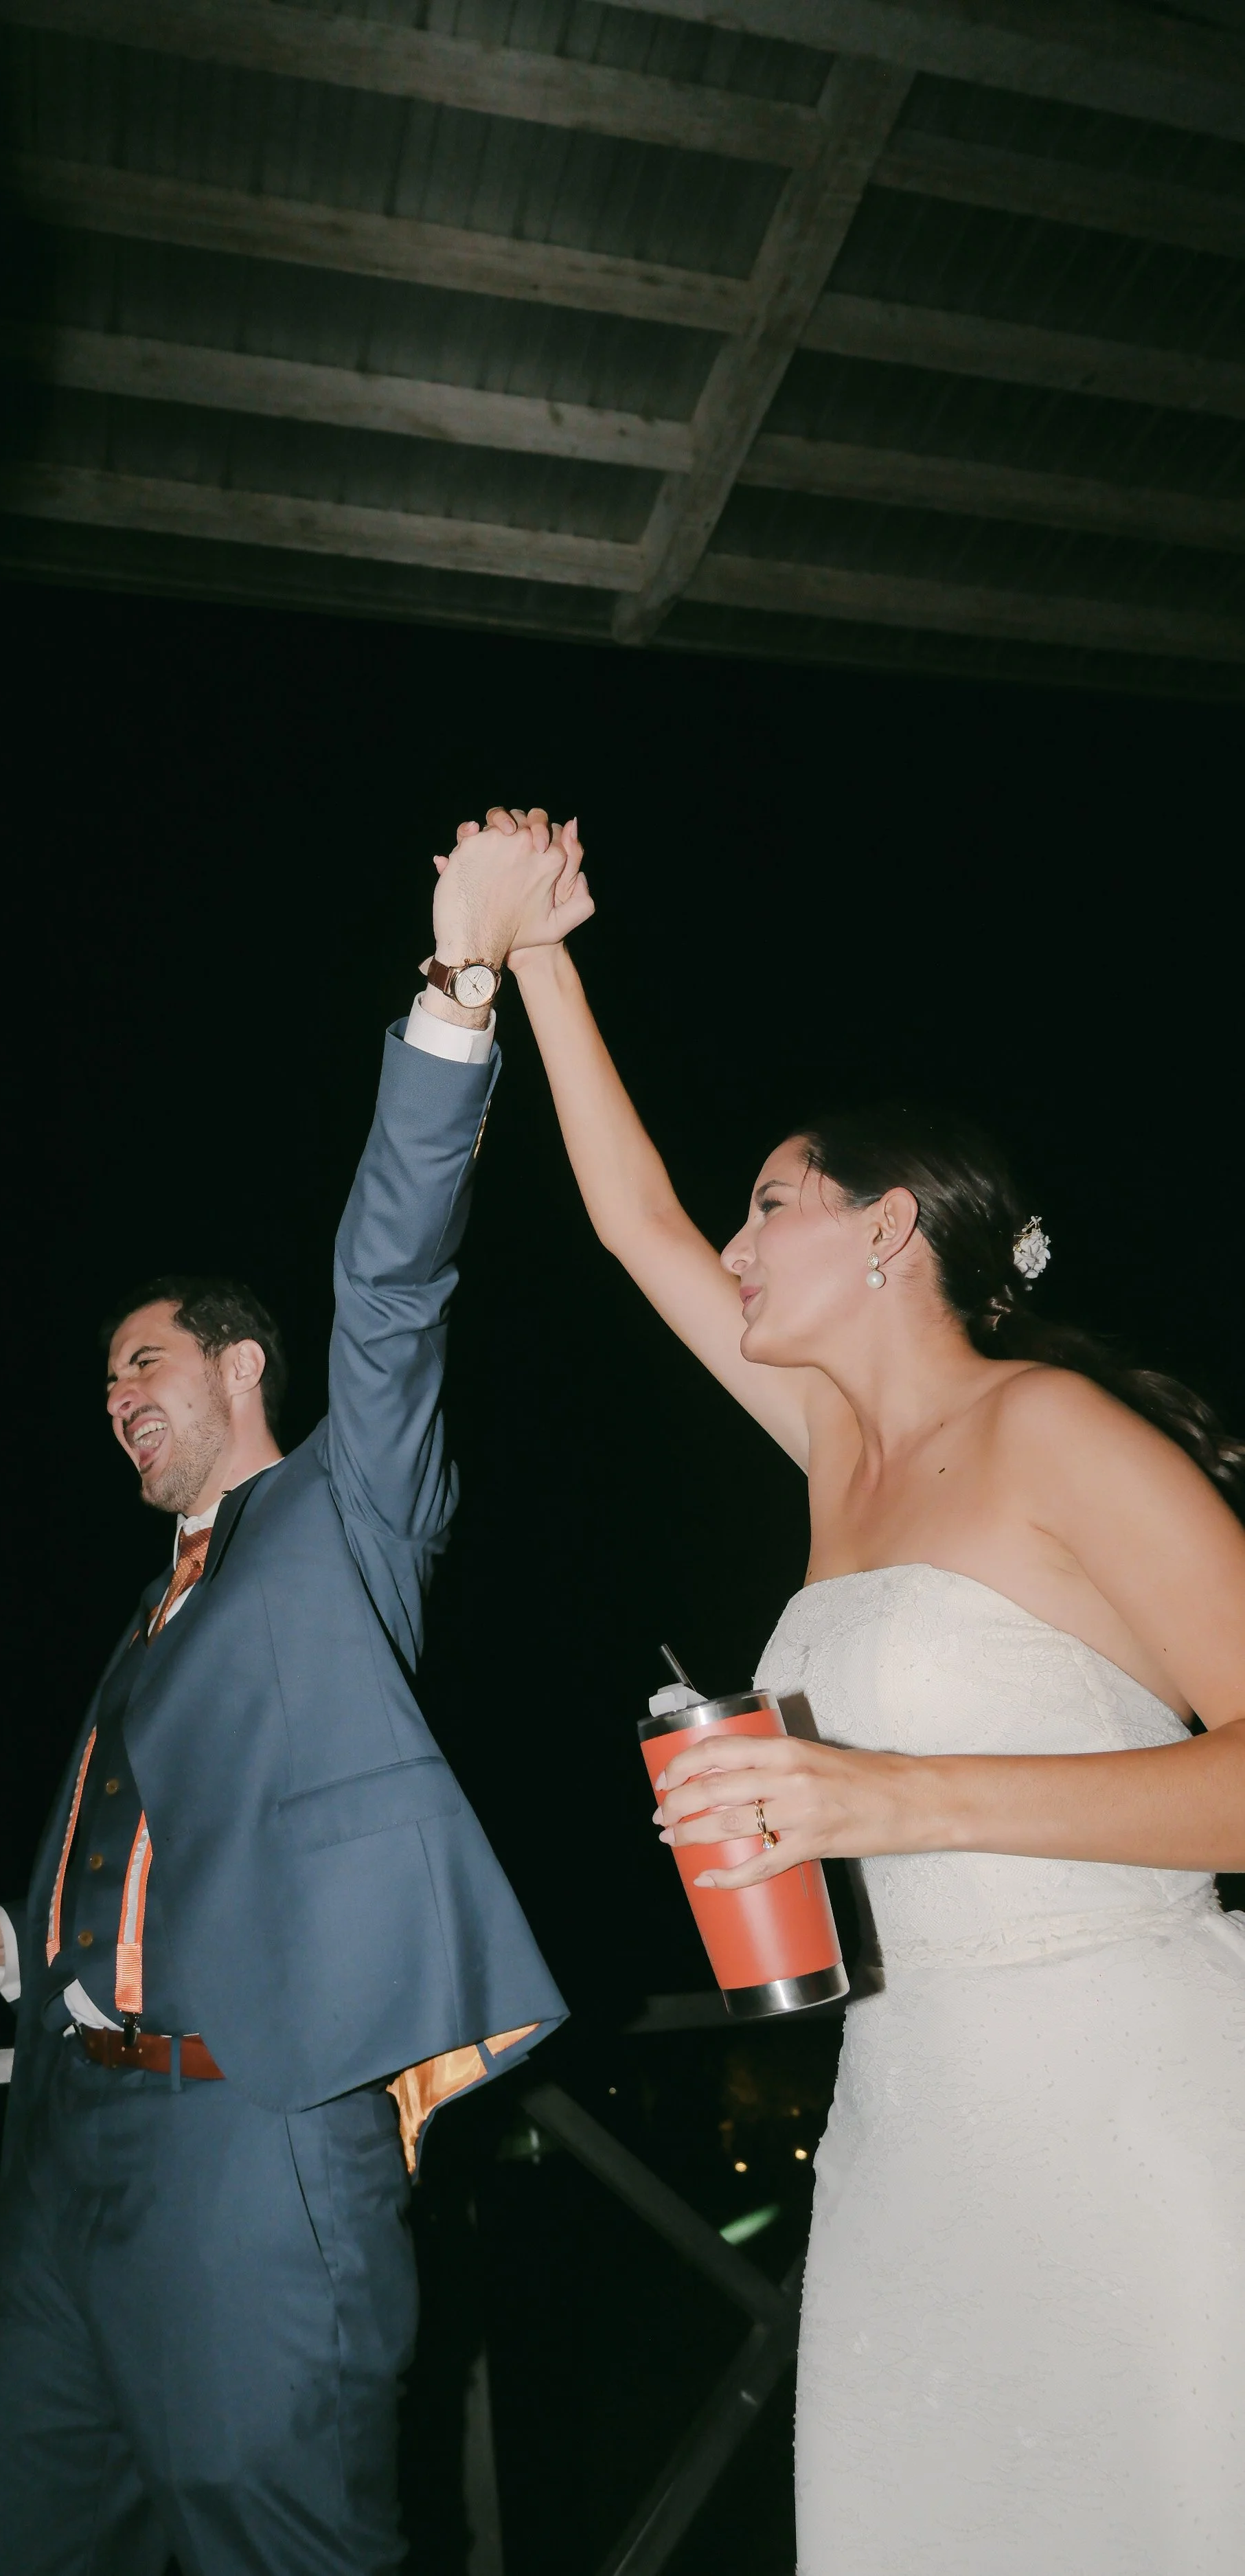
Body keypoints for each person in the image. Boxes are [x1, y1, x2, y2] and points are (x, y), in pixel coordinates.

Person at [490, 806, 1245, 2575]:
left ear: (888, 1227)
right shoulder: (835, 1453)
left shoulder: (1051, 1430)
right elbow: (632, 1224)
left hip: (1120, 2087)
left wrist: (888, 1797)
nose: (734, 1246)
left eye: (770, 1206)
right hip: (911, 2109)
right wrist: (533, 952)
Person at [0, 811, 574, 2576]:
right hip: (62, 2163)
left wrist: (457, 988)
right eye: (103, 1384)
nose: (114, 1398)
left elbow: (394, 1283)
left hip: (253, 2150)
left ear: (242, 1363)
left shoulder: (345, 1518)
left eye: (143, 1362)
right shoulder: (154, 1608)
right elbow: (167, 1854)